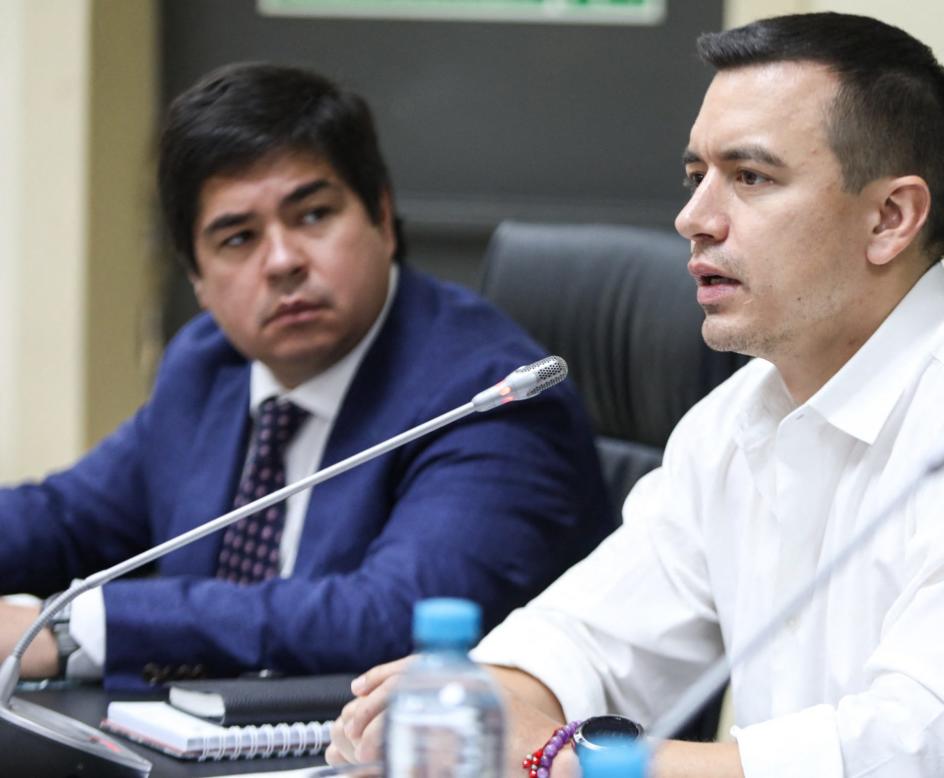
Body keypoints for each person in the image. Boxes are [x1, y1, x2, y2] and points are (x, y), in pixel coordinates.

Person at [330, 12, 944, 777]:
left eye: (750, 177)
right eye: (696, 174)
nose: (694, 216)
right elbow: (589, 642)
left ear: (889, 219)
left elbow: (913, 752)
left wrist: (563, 757)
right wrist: (479, 701)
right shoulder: (733, 422)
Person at [0, 63, 612, 691]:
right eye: (238, 238)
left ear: (381, 215)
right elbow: (66, 517)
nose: (284, 261)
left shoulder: (488, 396)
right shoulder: (211, 364)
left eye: (314, 215)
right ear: (196, 278)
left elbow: (395, 618)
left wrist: (74, 630)